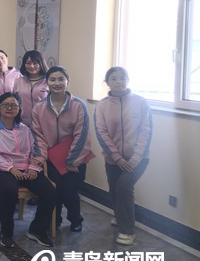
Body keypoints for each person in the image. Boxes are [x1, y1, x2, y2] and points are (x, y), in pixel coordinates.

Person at [0, 92, 57, 248]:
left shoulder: (24, 129)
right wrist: (10, 168)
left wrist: (33, 167)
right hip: (2, 168)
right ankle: (7, 233)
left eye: (14, 105)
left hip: (26, 168)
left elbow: (35, 150)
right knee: (9, 191)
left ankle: (37, 230)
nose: (10, 108)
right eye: (5, 105)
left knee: (50, 192)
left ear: (19, 109)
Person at [94, 67, 152, 246]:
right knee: (114, 189)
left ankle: (127, 231)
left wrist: (135, 158)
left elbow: (146, 131)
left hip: (138, 159)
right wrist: (117, 157)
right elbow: (101, 132)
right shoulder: (102, 105)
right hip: (113, 159)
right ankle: (119, 215)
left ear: (128, 80)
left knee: (124, 187)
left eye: (122, 78)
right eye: (114, 78)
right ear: (107, 82)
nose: (119, 81)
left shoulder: (140, 102)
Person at [32, 66, 95, 233]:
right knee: (56, 191)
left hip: (76, 158)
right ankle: (55, 219)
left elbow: (82, 134)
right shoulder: (39, 107)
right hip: (52, 158)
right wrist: (42, 156)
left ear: (68, 82)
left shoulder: (78, 105)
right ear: (47, 82)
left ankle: (75, 219)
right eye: (52, 79)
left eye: (61, 79)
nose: (57, 83)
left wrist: (73, 160)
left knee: (70, 192)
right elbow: (38, 135)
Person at [13, 50, 49, 128]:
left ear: (41, 64)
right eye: (28, 63)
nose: (32, 66)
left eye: (35, 63)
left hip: (44, 123)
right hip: (22, 123)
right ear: (24, 64)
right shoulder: (18, 81)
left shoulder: (48, 82)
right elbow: (15, 102)